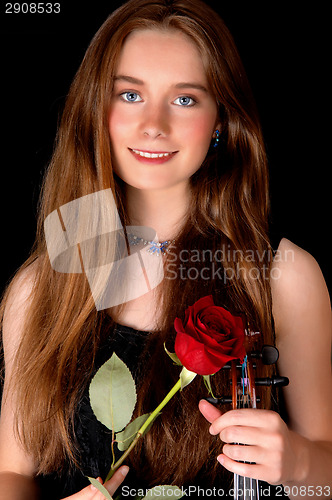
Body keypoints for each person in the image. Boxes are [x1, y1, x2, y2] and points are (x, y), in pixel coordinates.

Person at [1, 0, 331, 499]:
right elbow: (12, 474)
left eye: (185, 100)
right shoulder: (38, 289)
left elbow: (324, 480)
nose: (154, 124)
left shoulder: (283, 274)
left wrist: (303, 465)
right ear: (96, 110)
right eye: (130, 95)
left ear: (220, 120)